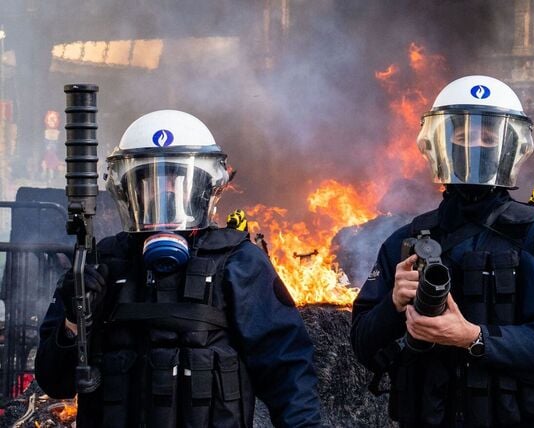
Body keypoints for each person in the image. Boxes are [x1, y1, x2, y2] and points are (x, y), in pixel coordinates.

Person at [35, 110, 324, 427]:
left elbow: (287, 371)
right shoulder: (98, 264)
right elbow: (55, 381)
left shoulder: (239, 262)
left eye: (177, 178)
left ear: (205, 186)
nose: (166, 190)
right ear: (129, 190)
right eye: (151, 180)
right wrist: (74, 320)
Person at [351, 75, 534, 427]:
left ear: (510, 147)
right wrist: (393, 304)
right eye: (462, 135)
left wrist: (473, 337)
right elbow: (364, 345)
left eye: (488, 136)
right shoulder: (406, 241)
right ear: (440, 144)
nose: (475, 145)